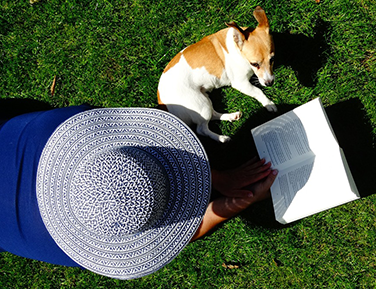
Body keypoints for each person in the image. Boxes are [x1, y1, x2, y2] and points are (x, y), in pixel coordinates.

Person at [0, 103, 277, 279]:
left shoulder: (68, 122)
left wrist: (218, 179)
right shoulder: (80, 248)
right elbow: (178, 234)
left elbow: (136, 145)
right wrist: (236, 201)